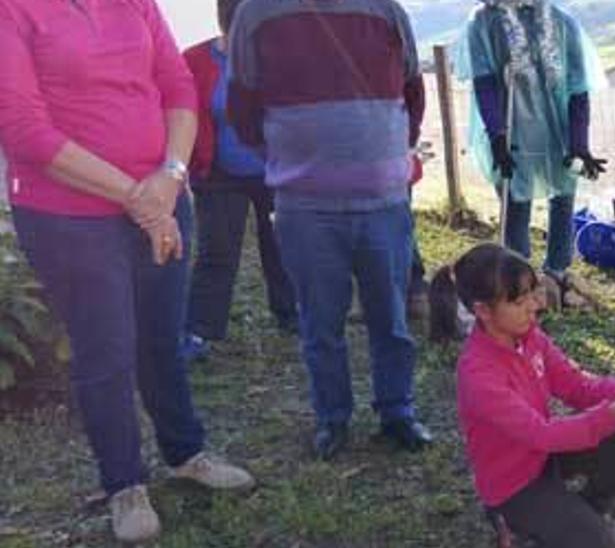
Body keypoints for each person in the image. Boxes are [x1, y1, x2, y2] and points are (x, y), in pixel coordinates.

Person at [0, 0, 255, 542]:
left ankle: (185, 452)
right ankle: (124, 484)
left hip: (160, 195)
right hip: (68, 215)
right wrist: (140, 199)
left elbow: (179, 87)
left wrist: (172, 173)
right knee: (106, 348)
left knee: (162, 337)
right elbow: (24, 129)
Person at [227, 0, 431, 460]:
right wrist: (295, 162)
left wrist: (389, 157)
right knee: (321, 323)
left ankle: (397, 412)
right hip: (305, 208)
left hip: (385, 204)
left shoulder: (387, 10)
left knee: (392, 320)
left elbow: (413, 92)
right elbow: (242, 107)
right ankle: (332, 419)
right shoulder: (257, 14)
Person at [432, 244, 615, 547]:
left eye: (532, 295)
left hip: (542, 458)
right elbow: (542, 434)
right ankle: (511, 523)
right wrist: (613, 413)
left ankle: (588, 514)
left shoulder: (529, 337)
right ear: (483, 310)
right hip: (513, 486)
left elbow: (575, 386)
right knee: (596, 541)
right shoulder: (479, 374)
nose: (534, 306)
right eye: (519, 301)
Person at [455, 0, 609, 306]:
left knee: (564, 195)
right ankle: (517, 274)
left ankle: (557, 272)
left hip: (557, 129)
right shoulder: (483, 22)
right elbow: (484, 83)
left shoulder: (562, 22)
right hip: (512, 130)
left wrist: (579, 142)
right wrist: (497, 136)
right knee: (516, 200)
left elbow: (578, 87)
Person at [180, 0, 297, 363]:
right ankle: (200, 330)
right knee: (217, 252)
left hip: (275, 169)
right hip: (217, 174)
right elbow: (182, 112)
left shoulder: (280, 54)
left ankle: (292, 316)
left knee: (283, 246)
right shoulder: (194, 60)